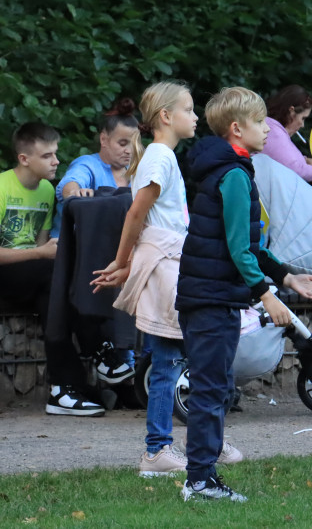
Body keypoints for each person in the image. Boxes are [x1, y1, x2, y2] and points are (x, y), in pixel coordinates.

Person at [175, 86, 312, 502]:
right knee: (210, 390)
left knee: (216, 387)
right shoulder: (234, 176)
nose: (268, 129)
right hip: (211, 297)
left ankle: (202, 476)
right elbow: (238, 250)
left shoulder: (230, 169)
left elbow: (251, 246)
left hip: (211, 296)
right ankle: (200, 480)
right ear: (238, 129)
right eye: (261, 123)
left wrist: (288, 277)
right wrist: (268, 295)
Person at [94, 82, 243, 477]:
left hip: (171, 263)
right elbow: (136, 214)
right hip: (167, 267)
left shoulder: (162, 157)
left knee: (186, 357)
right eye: (189, 110)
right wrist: (123, 260)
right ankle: (157, 449)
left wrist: (127, 263)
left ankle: (202, 438)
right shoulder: (160, 157)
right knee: (168, 360)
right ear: (166, 116)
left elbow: (152, 220)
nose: (195, 117)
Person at [0, 122, 104, 416]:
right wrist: (42, 253)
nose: (56, 161)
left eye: (55, 154)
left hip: (32, 275)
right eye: (47, 156)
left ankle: (64, 390)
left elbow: (41, 249)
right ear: (24, 159)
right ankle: (100, 353)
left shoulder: (46, 189)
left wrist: (44, 253)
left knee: (53, 296)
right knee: (53, 278)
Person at [51, 99, 139, 238]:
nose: (129, 150)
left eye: (134, 144)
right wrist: (76, 192)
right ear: (103, 140)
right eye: (123, 144)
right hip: (70, 249)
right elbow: (70, 185)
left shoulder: (135, 172)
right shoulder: (87, 164)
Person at [261, 85, 312, 184]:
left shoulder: (274, 129)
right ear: (291, 111)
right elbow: (295, 169)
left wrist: (306, 161)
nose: (302, 125)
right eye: (303, 118)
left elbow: (284, 159)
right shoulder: (273, 132)